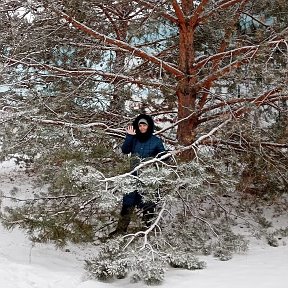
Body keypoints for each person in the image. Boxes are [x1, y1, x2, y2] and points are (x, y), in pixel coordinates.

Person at [110, 114, 166, 236]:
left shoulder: (156, 141)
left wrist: (166, 155)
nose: (142, 127)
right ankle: (120, 230)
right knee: (127, 202)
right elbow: (125, 150)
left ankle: (145, 232)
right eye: (140, 125)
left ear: (149, 126)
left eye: (144, 124)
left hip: (148, 178)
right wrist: (129, 136)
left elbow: (163, 156)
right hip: (133, 176)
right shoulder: (134, 138)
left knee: (149, 203)